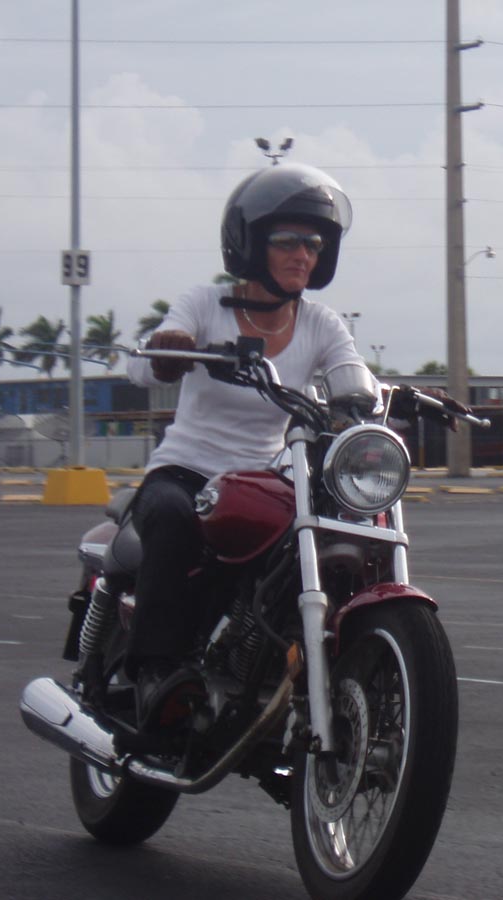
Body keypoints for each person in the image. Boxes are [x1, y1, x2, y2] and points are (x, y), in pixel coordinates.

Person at [123, 163, 365, 710]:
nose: (303, 254)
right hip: (185, 472)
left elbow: (352, 374)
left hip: (265, 480)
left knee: (322, 537)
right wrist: (169, 352)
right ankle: (156, 670)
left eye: (314, 243)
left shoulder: (321, 323)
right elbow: (139, 366)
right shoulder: (205, 304)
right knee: (171, 517)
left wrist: (390, 397)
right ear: (250, 245)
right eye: (287, 241)